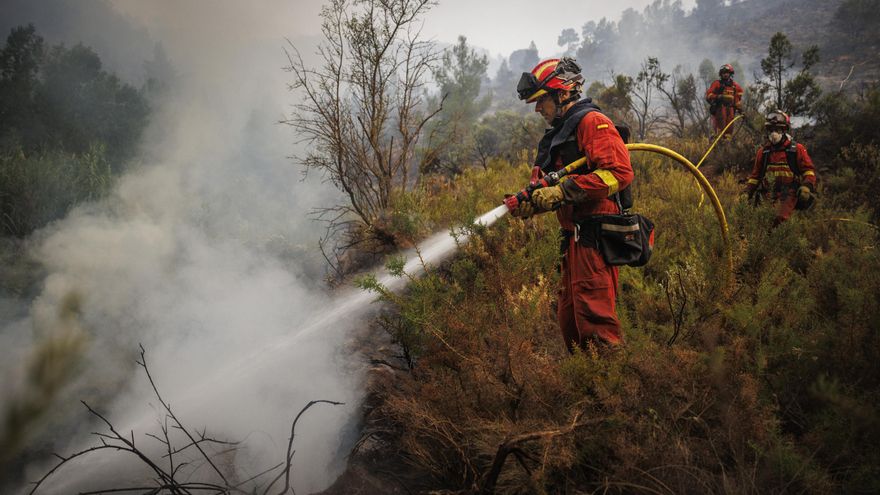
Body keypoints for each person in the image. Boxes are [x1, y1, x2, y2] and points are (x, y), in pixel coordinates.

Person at [507, 57, 633, 352]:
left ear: (562, 93)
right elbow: (546, 186)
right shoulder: (558, 135)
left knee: (595, 326)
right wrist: (530, 202)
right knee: (571, 324)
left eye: (542, 101)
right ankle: (583, 386)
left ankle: (609, 389)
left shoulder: (592, 122)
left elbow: (619, 173)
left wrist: (564, 192)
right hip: (572, 242)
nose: (538, 109)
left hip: (594, 239)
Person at [744, 110, 817, 225]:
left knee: (779, 219)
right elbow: (755, 176)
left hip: (788, 193)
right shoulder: (763, 152)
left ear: (784, 130)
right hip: (767, 193)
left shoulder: (796, 149)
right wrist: (747, 192)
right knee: (761, 222)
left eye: (777, 130)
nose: (773, 134)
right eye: (771, 130)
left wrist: (806, 186)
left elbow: (808, 171)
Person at [705, 64, 743, 136]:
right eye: (723, 73)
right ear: (721, 74)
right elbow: (709, 95)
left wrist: (740, 108)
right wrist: (718, 97)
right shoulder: (717, 84)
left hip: (731, 110)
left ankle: (727, 144)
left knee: (729, 130)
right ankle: (719, 143)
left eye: (727, 73)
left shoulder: (734, 86)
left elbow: (737, 99)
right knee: (720, 130)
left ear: (730, 74)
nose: (725, 74)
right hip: (720, 109)